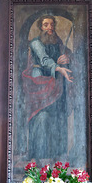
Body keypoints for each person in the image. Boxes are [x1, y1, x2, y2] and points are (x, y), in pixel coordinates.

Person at [22, 15, 73, 159]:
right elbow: (44, 59)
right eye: (46, 25)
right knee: (42, 117)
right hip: (40, 83)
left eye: (52, 25)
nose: (50, 28)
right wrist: (58, 68)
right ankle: (39, 155)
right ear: (40, 27)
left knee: (58, 117)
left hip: (56, 84)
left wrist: (67, 59)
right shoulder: (36, 42)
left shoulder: (58, 42)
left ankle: (57, 155)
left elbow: (67, 54)